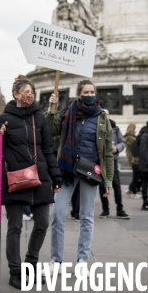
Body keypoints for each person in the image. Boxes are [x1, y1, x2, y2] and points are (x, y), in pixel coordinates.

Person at [0, 75, 61, 290]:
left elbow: (48, 149)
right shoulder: (4, 118)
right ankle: (15, 271)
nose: (30, 95)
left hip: (40, 176)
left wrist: (55, 174)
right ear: (15, 94)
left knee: (42, 223)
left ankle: (30, 266)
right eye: (26, 92)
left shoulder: (39, 118)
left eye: (32, 93)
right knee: (14, 226)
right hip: (14, 177)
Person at [45, 79, 113, 277]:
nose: (90, 95)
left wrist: (107, 180)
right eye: (86, 92)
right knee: (57, 214)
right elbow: (51, 130)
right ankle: (56, 260)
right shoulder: (68, 113)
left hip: (90, 171)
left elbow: (107, 151)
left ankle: (82, 259)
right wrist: (52, 108)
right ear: (79, 94)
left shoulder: (102, 117)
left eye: (92, 92)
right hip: (67, 170)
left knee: (86, 217)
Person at [99, 109, 129, 219]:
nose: (105, 116)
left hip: (112, 160)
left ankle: (120, 209)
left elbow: (123, 142)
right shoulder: (97, 128)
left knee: (116, 184)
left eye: (106, 114)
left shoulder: (115, 128)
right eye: (102, 114)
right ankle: (105, 210)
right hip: (100, 160)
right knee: (102, 185)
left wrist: (117, 148)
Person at [124, 123, 142, 199]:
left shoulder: (129, 137)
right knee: (136, 175)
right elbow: (134, 148)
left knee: (136, 175)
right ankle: (132, 190)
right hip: (133, 158)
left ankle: (131, 189)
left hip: (132, 158)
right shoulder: (131, 138)